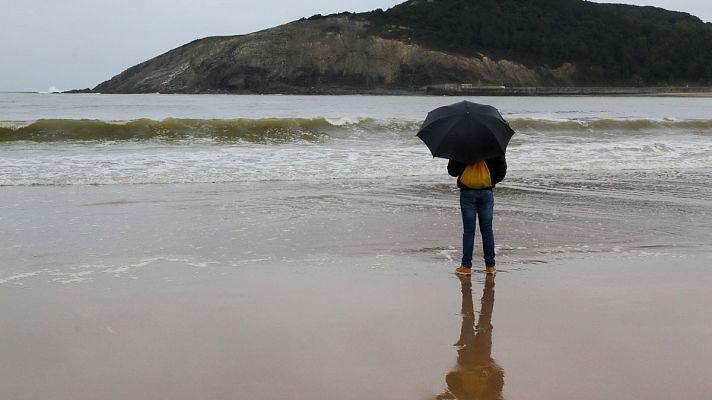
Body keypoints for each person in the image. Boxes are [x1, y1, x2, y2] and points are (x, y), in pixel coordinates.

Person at [447, 156, 507, 275]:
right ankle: (490, 266)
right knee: (487, 230)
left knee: (469, 231)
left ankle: (466, 266)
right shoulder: (494, 146)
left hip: (467, 193)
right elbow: (501, 171)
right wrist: (491, 179)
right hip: (486, 192)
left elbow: (452, 171)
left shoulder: (461, 146)